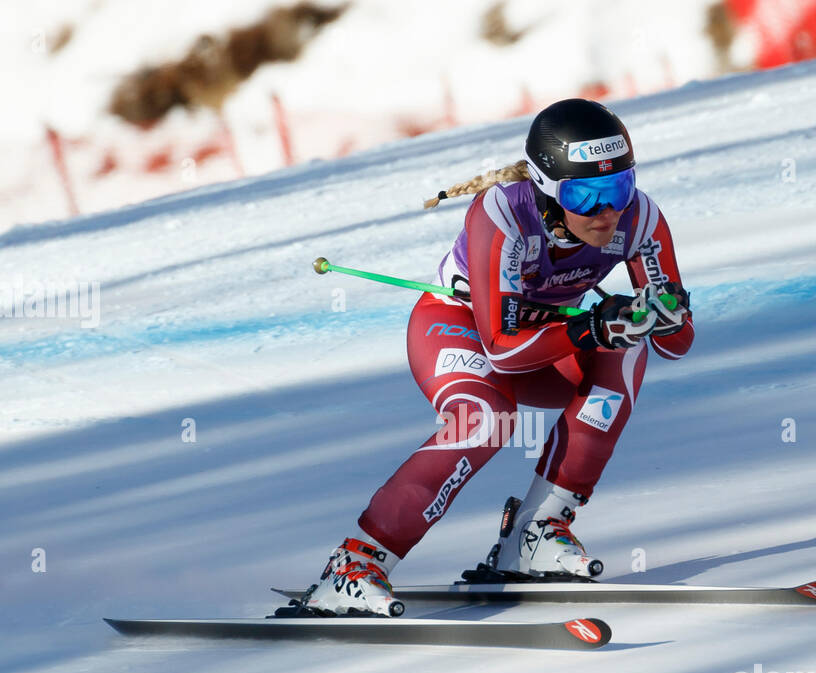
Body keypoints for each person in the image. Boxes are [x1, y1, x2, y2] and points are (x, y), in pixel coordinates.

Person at [297, 98, 693, 616]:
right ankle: (354, 563)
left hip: (545, 339)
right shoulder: (502, 214)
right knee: (487, 419)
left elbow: (675, 344)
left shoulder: (639, 219)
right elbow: (502, 352)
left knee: (628, 349)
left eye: (619, 187)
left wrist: (663, 313)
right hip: (457, 331)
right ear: (549, 190)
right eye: (586, 194)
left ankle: (537, 531)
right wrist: (595, 325)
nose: (607, 211)